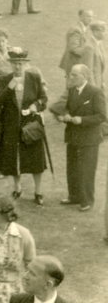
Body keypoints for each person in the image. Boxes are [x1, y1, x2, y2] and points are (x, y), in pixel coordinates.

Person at [0, 49, 48, 205]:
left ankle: (38, 191)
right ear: (11, 64)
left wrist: (35, 106)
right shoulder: (5, 79)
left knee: (36, 159)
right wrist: (10, 87)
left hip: (31, 124)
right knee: (14, 157)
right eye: (15, 64)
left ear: (25, 64)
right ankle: (17, 188)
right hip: (11, 125)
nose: (18, 67)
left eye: (20, 64)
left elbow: (43, 98)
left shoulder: (34, 78)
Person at [56, 64, 106, 212]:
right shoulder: (72, 90)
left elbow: (102, 116)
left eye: (74, 75)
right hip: (73, 135)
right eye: (71, 74)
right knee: (72, 168)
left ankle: (87, 201)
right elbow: (67, 108)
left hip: (89, 139)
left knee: (86, 170)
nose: (71, 77)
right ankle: (74, 196)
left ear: (84, 76)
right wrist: (65, 115)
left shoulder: (95, 92)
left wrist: (82, 120)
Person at [59, 9, 95, 82]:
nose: (91, 19)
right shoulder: (76, 30)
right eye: (88, 16)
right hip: (73, 65)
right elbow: (73, 48)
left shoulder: (83, 28)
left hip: (76, 64)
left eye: (92, 17)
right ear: (81, 17)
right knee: (73, 86)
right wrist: (88, 54)